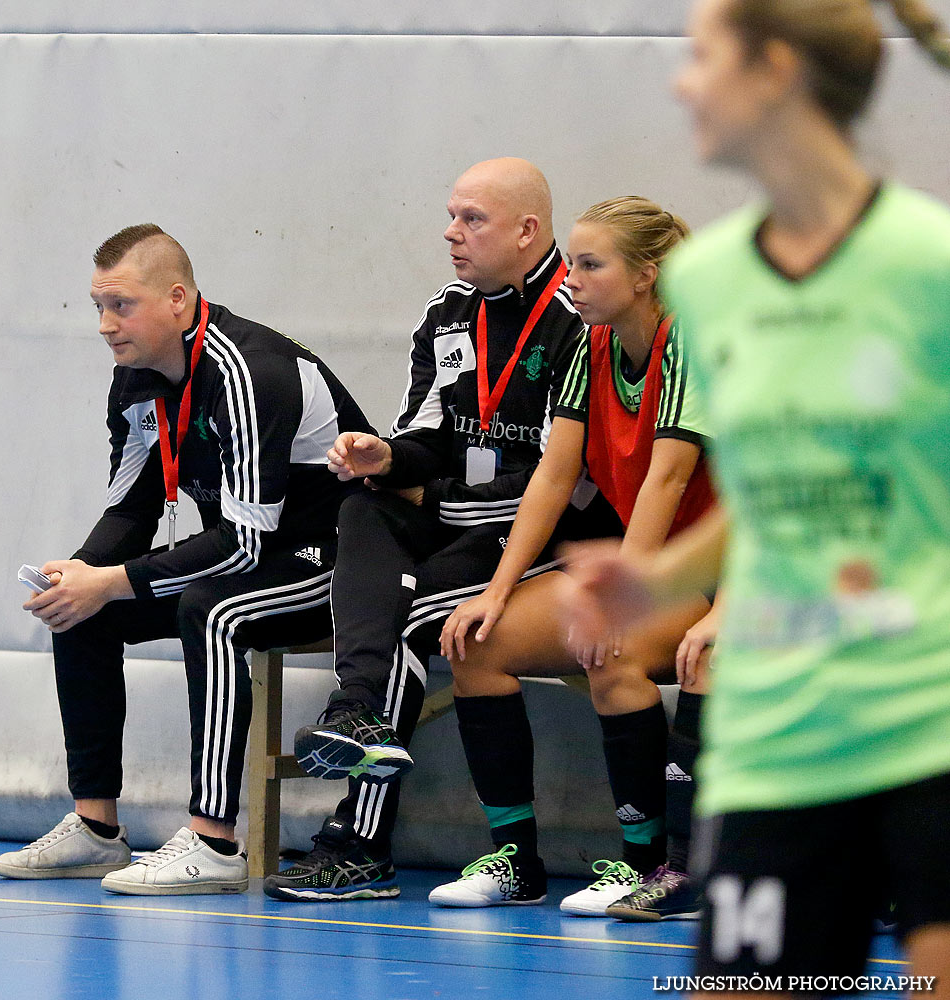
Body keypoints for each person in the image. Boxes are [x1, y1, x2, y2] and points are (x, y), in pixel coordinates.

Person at [561, 0, 950, 992]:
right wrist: (658, 580)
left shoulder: (925, 265)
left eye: (703, 58)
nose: (683, 82)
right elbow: (776, 490)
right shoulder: (718, 281)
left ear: (775, 72)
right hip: (780, 728)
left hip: (923, 712)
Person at [264, 158, 614, 902]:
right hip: (461, 518)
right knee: (362, 501)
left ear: (527, 230)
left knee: (420, 613)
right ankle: (356, 708)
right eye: (452, 216)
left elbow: (566, 483)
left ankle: (363, 845)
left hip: (549, 535)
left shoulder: (581, 318)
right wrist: (385, 456)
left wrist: (437, 495)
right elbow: (425, 433)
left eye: (470, 219)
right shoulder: (447, 313)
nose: (450, 233)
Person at [0, 224, 373, 896]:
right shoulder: (135, 380)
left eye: (122, 305)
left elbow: (250, 543)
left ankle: (214, 841)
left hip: (331, 556)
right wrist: (78, 577)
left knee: (211, 609)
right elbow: (131, 510)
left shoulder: (248, 372)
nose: (106, 325)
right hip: (254, 552)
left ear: (177, 298)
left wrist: (111, 580)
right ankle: (96, 828)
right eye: (97, 306)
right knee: (84, 613)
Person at [427, 196, 716, 916]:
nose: (571, 280)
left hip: (726, 571)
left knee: (608, 653)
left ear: (647, 276)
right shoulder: (591, 346)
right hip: (653, 564)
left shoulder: (690, 342)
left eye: (590, 265)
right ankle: (515, 863)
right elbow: (555, 476)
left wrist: (627, 594)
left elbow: (668, 476)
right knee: (478, 645)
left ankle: (649, 864)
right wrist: (496, 590)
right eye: (573, 264)